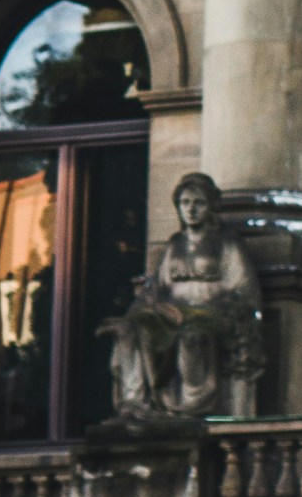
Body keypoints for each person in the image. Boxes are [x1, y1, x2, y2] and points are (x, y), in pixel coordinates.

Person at [104, 172, 266, 422]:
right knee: (132, 331)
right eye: (185, 203)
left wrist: (215, 310)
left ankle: (191, 408)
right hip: (172, 317)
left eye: (198, 203)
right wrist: (132, 315)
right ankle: (135, 403)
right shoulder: (174, 245)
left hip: (211, 317)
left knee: (192, 337)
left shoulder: (227, 244)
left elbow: (244, 290)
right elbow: (153, 291)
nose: (190, 210)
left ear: (211, 206)